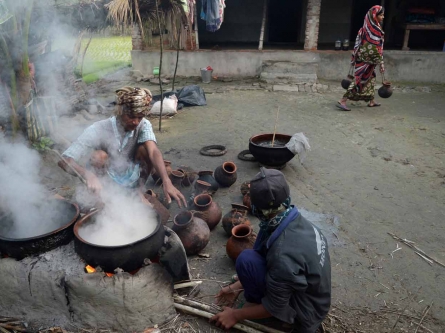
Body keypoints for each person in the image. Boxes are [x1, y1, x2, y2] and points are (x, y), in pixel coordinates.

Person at [210, 168, 331, 332]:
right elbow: (267, 258)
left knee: (246, 260)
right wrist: (235, 287)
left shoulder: (283, 254)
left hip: (306, 314)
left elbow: (274, 305)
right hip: (314, 298)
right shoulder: (294, 221)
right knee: (251, 258)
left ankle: (284, 321)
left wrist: (235, 315)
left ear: (257, 210)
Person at [58, 86, 187, 207]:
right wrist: (87, 174)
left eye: (140, 117)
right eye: (131, 116)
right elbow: (64, 160)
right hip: (104, 178)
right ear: (120, 111)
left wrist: (166, 180)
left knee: (145, 150)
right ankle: (102, 198)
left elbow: (153, 152)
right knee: (99, 156)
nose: (135, 122)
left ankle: (138, 191)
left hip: (129, 173)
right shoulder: (98, 129)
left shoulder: (144, 124)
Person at [337, 5, 385, 111]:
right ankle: (343, 100)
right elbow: (372, 48)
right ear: (374, 16)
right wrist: (380, 62)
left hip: (370, 59)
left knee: (371, 77)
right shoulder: (372, 30)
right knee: (359, 79)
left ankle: (371, 100)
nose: (383, 17)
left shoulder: (369, 28)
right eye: (381, 15)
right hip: (365, 59)